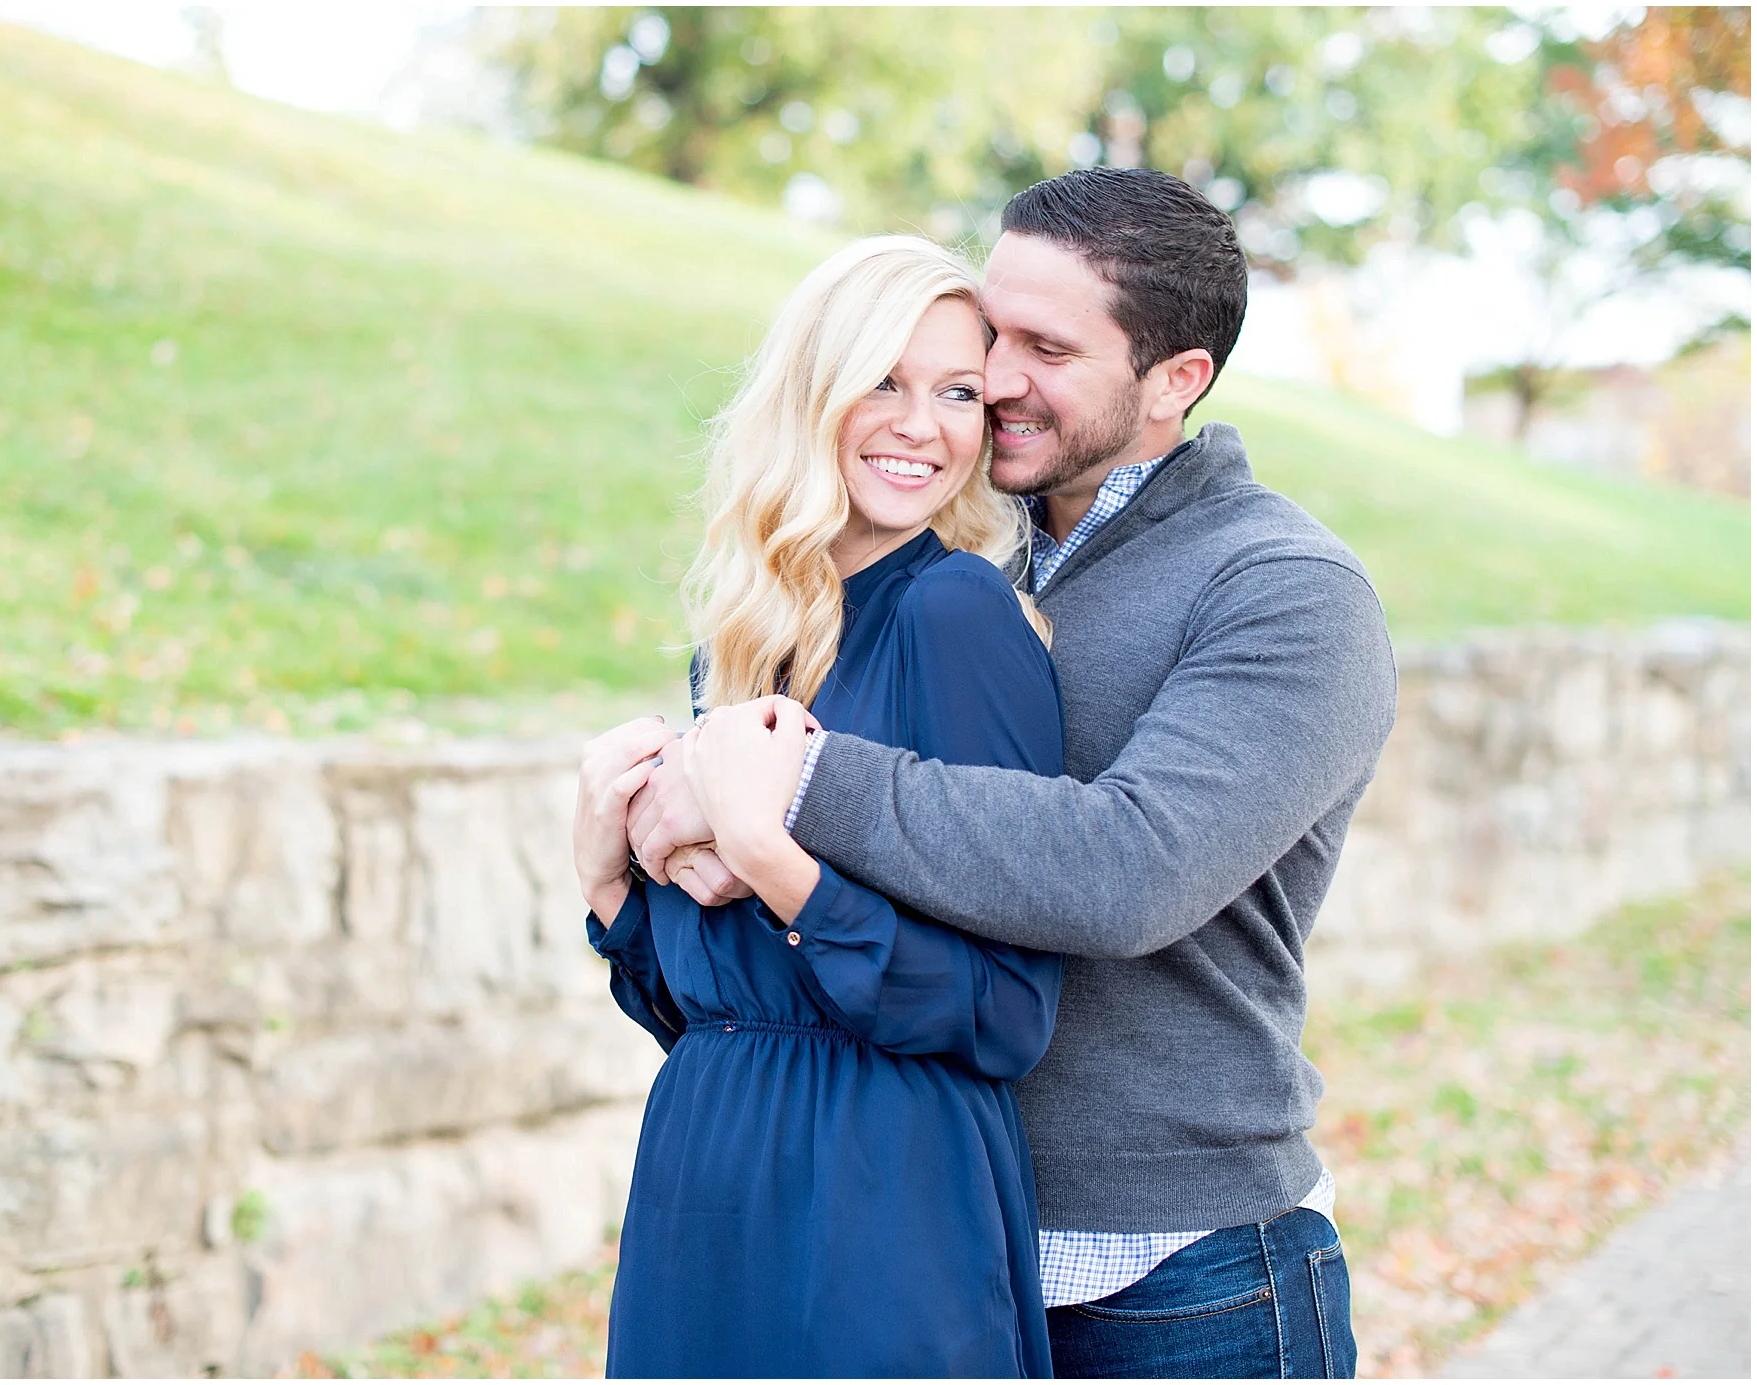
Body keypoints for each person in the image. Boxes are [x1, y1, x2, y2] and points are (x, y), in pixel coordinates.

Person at [618, 169, 1398, 1379]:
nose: (1000, 377)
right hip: (922, 1232)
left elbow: (1128, 870)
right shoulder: (940, 558)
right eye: (996, 330)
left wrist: (782, 785)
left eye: (1046, 347)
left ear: (1173, 381)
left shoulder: (1282, 590)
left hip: (1178, 1275)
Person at [571, 235, 1067, 1377]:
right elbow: (716, 1012)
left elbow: (1004, 1014)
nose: (922, 424)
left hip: (882, 1198)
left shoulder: (955, 616)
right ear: (813, 391)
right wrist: (608, 885)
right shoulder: (745, 638)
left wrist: (767, 851)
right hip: (708, 1180)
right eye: (882, 381)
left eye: (955, 392)